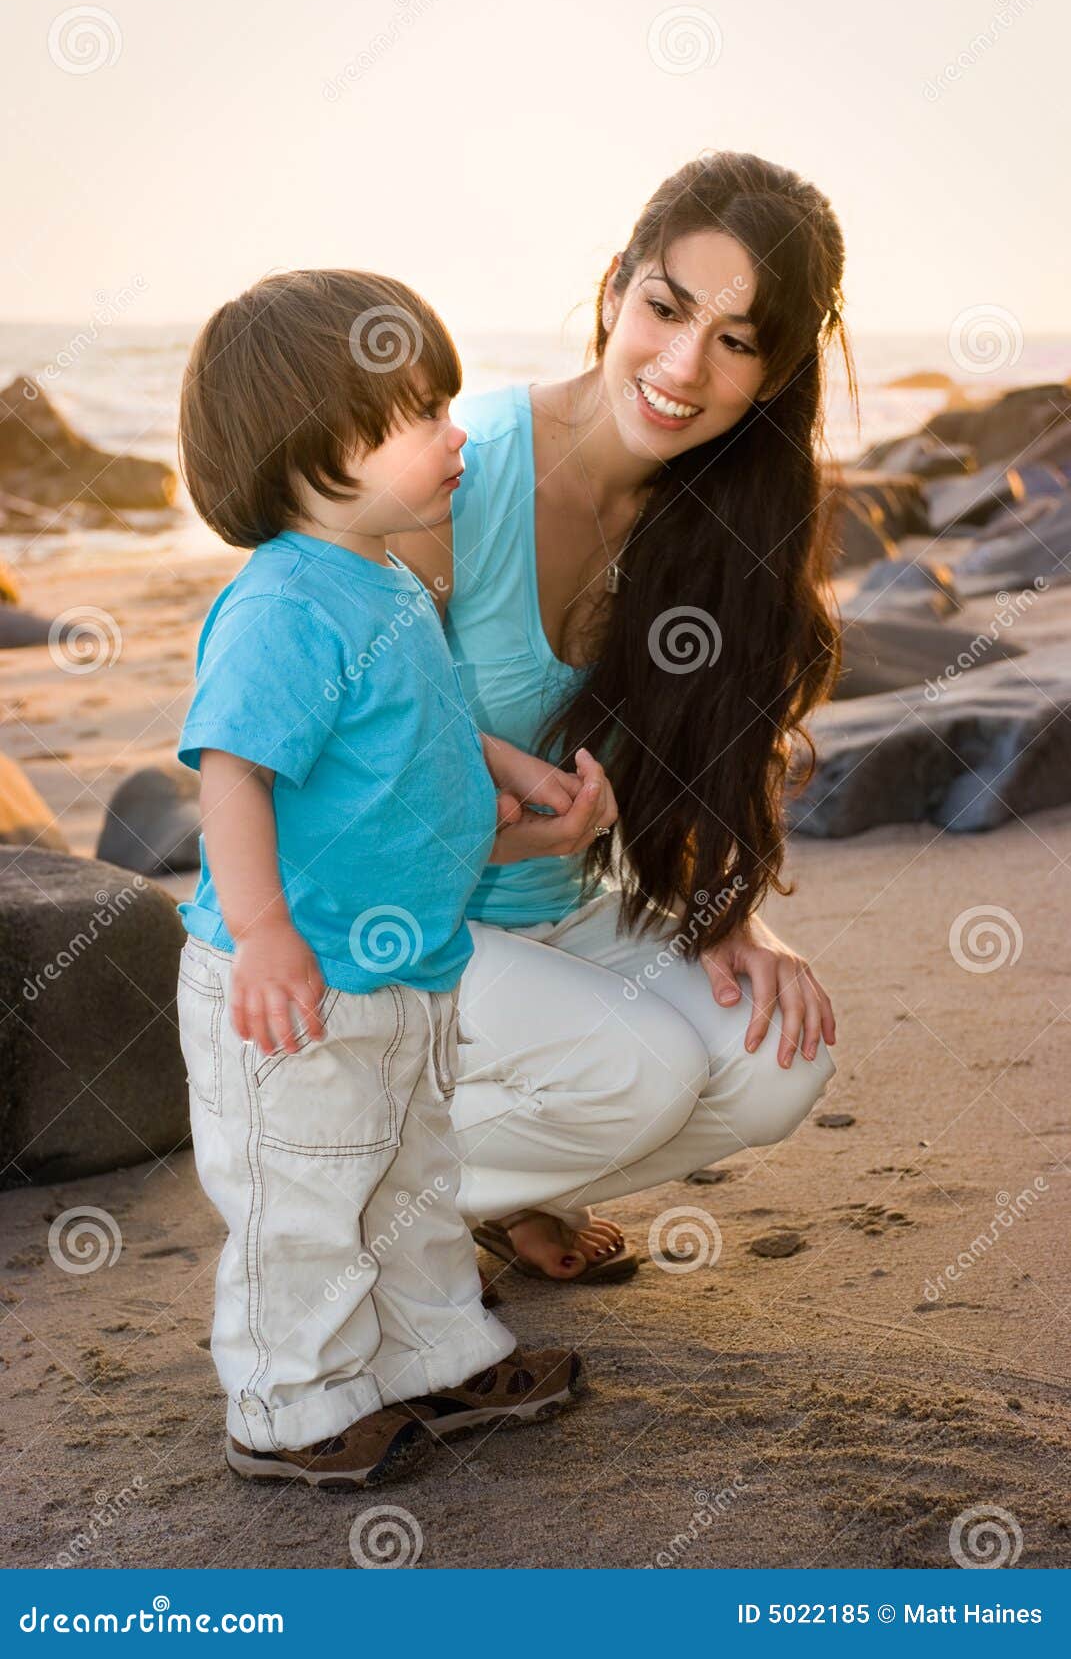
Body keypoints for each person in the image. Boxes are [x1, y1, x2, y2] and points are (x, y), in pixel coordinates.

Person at [388, 152, 850, 1283]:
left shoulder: (723, 526)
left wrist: (731, 910)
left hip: (556, 916)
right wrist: (491, 825)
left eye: (737, 343)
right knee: (642, 1068)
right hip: (394, 927)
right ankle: (338, 1193)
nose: (684, 366)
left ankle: (508, 1187)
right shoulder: (462, 479)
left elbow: (687, 775)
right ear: (614, 289)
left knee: (780, 1057)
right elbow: (340, 772)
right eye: (667, 307)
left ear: (775, 373)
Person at [174, 268, 592, 1488]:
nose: (458, 433)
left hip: (405, 966)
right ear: (310, 448)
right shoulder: (283, 605)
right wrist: (261, 934)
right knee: (303, 1199)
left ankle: (430, 1353)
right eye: (420, 413)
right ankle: (289, 1403)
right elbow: (233, 772)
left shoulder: (387, 574)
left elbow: (435, 719)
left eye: (447, 405)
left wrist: (516, 768)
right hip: (295, 986)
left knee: (412, 1175)